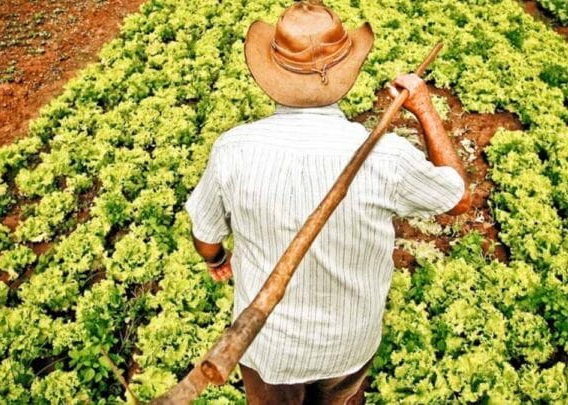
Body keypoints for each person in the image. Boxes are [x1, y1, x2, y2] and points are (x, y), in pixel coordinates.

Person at [184, 1, 471, 404]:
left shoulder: (233, 150)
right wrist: (423, 107)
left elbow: (205, 236)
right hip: (348, 345)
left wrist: (216, 259)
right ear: (346, 71)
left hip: (268, 348)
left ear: (272, 73)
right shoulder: (387, 156)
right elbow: (458, 197)